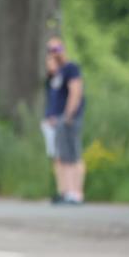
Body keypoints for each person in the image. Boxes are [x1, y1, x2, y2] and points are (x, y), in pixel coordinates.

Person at [45, 37, 86, 204]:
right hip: (58, 120)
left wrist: (68, 115)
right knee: (62, 157)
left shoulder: (71, 68)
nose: (54, 54)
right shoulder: (57, 74)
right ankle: (66, 191)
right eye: (50, 51)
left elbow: (76, 91)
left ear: (63, 49)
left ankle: (76, 193)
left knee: (73, 155)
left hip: (68, 118)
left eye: (57, 50)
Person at [41, 51, 61, 200]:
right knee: (55, 156)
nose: (49, 64)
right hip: (49, 120)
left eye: (52, 61)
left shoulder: (62, 78)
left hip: (58, 120)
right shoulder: (49, 80)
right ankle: (60, 188)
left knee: (61, 156)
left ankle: (65, 190)